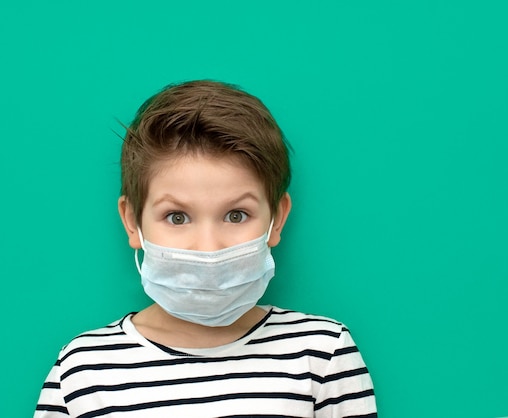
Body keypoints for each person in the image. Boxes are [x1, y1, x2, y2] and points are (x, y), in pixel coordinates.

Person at [34, 80, 377, 417]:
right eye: (177, 217)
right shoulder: (81, 370)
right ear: (132, 221)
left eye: (236, 214)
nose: (209, 249)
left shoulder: (322, 354)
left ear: (277, 219)